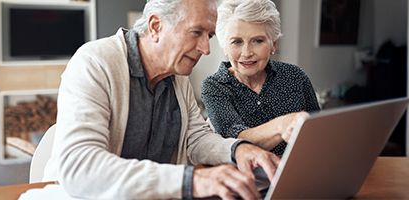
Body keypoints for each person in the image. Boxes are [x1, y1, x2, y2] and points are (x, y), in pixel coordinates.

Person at [42, 0, 280, 199]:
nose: (206, 48)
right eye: (196, 32)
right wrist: (191, 180)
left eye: (209, 35)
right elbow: (80, 165)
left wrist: (238, 150)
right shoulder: (94, 63)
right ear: (156, 26)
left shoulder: (177, 75)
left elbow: (195, 138)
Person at [201, 0, 320, 156]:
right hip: (247, 176)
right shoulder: (215, 86)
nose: (247, 52)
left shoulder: (296, 77)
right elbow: (235, 140)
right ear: (224, 46)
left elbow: (318, 131)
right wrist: (282, 125)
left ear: (273, 45)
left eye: (258, 41)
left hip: (300, 170)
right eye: (236, 42)